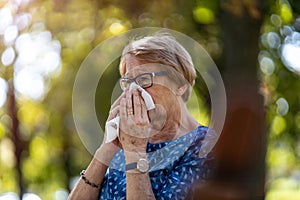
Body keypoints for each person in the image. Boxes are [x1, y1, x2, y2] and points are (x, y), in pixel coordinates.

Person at [69, 32, 215, 200]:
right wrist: (105, 151)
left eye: (144, 79)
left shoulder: (205, 147)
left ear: (180, 83)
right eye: (128, 82)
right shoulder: (123, 144)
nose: (134, 91)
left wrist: (135, 152)